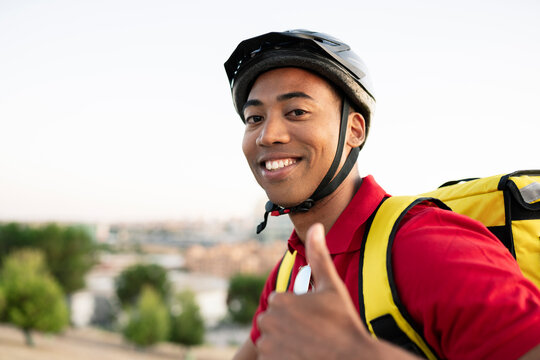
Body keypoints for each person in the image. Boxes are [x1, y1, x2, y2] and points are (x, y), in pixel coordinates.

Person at [224, 30, 540, 360]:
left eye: (297, 112)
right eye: (254, 118)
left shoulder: (425, 245)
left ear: (354, 130)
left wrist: (354, 352)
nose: (267, 135)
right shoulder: (289, 270)